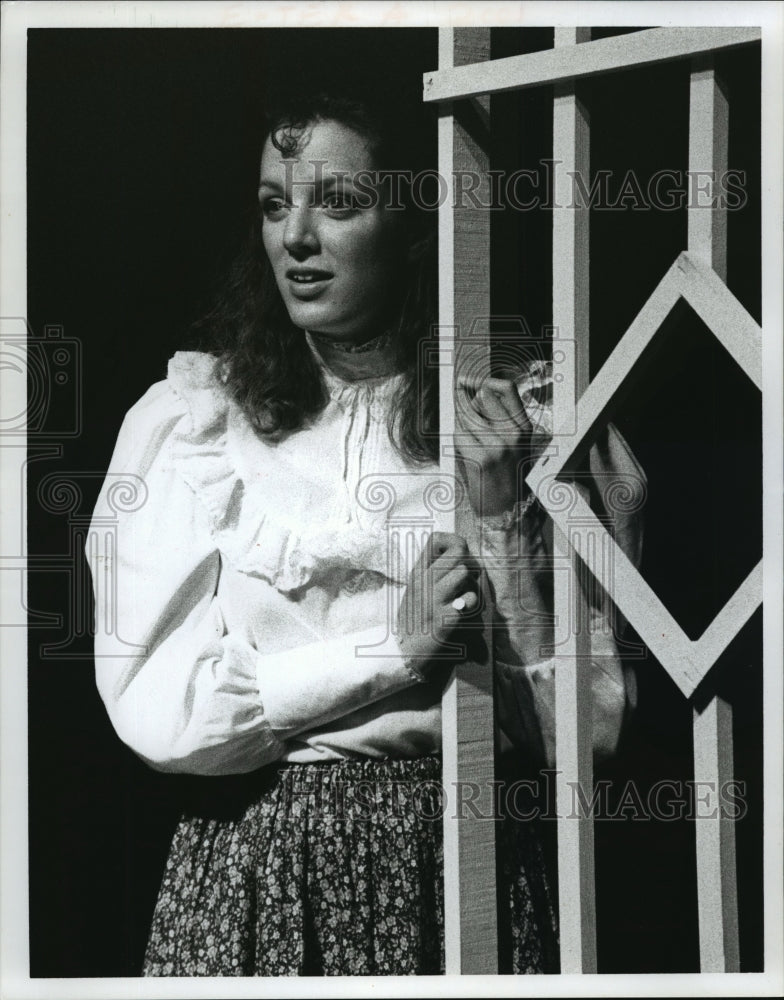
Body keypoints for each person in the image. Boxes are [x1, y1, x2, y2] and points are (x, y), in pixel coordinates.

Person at [86, 87, 644, 976]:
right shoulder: (195, 422)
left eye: (337, 203)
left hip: (463, 858)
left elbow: (592, 735)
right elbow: (163, 714)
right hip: (259, 868)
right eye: (276, 204)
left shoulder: (519, 419)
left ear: (417, 226)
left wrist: (503, 518)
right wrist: (391, 650)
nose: (296, 239)